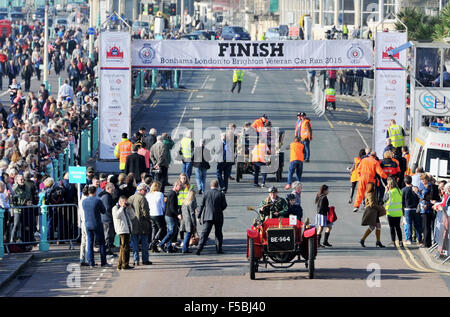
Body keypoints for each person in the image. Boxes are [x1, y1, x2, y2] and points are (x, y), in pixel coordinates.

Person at [196, 179, 228, 255]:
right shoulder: (221, 194)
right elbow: (224, 205)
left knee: (204, 233)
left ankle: (199, 249)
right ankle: (219, 249)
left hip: (207, 216)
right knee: (218, 233)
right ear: (218, 185)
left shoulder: (206, 193)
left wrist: (199, 216)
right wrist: (219, 209)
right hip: (218, 216)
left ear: (210, 186)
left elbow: (201, 205)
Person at [82, 185, 109, 268]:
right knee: (101, 243)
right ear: (95, 192)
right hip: (97, 224)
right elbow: (103, 211)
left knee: (89, 243)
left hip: (87, 224)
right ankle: (103, 262)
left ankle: (91, 263)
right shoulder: (98, 200)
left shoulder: (84, 201)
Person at [128, 183, 152, 265]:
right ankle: (145, 259)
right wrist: (148, 219)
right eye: (145, 190)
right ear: (140, 190)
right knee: (144, 242)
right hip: (142, 223)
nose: (146, 192)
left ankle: (136, 260)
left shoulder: (130, 198)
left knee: (135, 243)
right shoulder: (142, 199)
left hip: (133, 223)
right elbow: (145, 212)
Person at [158, 181, 184, 253]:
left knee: (173, 231)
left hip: (170, 215)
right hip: (170, 215)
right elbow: (172, 207)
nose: (181, 188)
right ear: (176, 186)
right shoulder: (172, 194)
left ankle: (168, 247)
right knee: (172, 231)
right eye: (180, 186)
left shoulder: (173, 193)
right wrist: (178, 214)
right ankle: (161, 243)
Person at [112, 195, 135, 270]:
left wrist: (130, 208)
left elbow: (133, 217)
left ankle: (121, 264)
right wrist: (122, 207)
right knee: (125, 248)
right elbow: (116, 216)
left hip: (127, 229)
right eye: (124, 202)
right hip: (121, 229)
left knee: (124, 248)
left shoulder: (125, 208)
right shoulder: (115, 208)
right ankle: (124, 264)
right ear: (120, 201)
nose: (126, 203)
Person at [360, 182, 385, 248]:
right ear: (371, 187)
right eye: (373, 186)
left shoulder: (370, 193)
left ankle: (377, 241)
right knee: (374, 226)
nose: (375, 187)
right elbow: (372, 204)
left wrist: (379, 202)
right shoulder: (370, 194)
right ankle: (363, 239)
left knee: (376, 226)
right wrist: (380, 207)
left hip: (374, 212)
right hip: (372, 212)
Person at [146, 181, 166, 253]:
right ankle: (153, 242)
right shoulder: (160, 194)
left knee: (154, 228)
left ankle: (153, 244)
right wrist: (163, 210)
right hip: (158, 213)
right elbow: (163, 205)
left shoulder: (148, 194)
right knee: (162, 228)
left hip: (151, 213)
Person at [383, 177, 404, 247]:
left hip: (390, 213)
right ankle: (401, 242)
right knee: (398, 227)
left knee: (392, 228)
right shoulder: (400, 192)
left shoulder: (389, 193)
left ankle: (393, 242)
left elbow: (384, 200)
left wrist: (385, 191)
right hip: (398, 212)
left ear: (389, 185)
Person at [402, 175, 422, 245]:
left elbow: (402, 202)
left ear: (405, 182)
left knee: (409, 224)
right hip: (415, 209)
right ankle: (419, 239)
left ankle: (409, 239)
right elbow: (419, 198)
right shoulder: (415, 188)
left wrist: (402, 212)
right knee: (417, 225)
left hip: (407, 209)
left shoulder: (403, 190)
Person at [416, 173, 433, 248]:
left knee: (426, 227)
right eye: (421, 180)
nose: (422, 181)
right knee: (425, 226)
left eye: (423, 179)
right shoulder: (426, 186)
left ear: (427, 179)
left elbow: (424, 197)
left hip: (426, 209)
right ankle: (427, 242)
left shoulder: (428, 186)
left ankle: (426, 243)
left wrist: (417, 192)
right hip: (424, 209)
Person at [99, 182, 116, 256]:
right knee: (108, 235)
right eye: (112, 188)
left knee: (109, 234)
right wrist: (112, 215)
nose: (114, 189)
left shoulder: (107, 196)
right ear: (108, 188)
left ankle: (107, 249)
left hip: (106, 218)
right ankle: (106, 250)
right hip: (107, 219)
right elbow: (107, 208)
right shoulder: (106, 196)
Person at [180, 190, 198, 254]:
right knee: (188, 234)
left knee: (187, 234)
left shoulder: (184, 202)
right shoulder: (191, 202)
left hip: (184, 220)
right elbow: (192, 214)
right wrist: (194, 223)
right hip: (189, 220)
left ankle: (185, 248)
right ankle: (184, 248)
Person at [78, 186, 89, 266]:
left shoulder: (81, 200)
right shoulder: (87, 200)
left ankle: (82, 259)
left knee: (83, 242)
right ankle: (88, 259)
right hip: (87, 221)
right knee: (88, 241)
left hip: (83, 222)